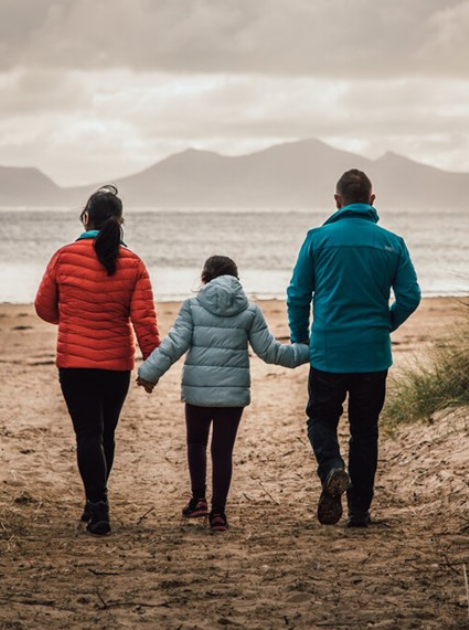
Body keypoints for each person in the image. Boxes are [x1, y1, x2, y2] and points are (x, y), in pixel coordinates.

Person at [287, 169, 421, 527]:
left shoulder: (317, 239)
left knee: (320, 418)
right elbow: (411, 296)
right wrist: (385, 323)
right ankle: (360, 512)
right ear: (372, 201)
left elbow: (298, 294)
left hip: (329, 350)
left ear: (337, 201)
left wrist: (301, 338)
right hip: (373, 354)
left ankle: (332, 466)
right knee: (365, 430)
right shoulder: (392, 242)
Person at [136, 256, 309, 532]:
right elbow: (272, 352)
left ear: (205, 277)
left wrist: (148, 373)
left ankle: (198, 500)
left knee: (196, 443)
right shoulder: (250, 311)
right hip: (233, 393)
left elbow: (173, 346)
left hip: (198, 391)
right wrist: (308, 351)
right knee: (222, 451)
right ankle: (218, 514)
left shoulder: (192, 306)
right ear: (236, 278)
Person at [34, 185, 160, 536]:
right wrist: (152, 364)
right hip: (116, 364)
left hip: (74, 363)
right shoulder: (133, 263)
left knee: (87, 433)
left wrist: (73, 319)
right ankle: (96, 501)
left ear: (86, 217)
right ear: (120, 222)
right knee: (105, 433)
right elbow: (144, 321)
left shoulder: (64, 256)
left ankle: (97, 504)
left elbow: (44, 307)